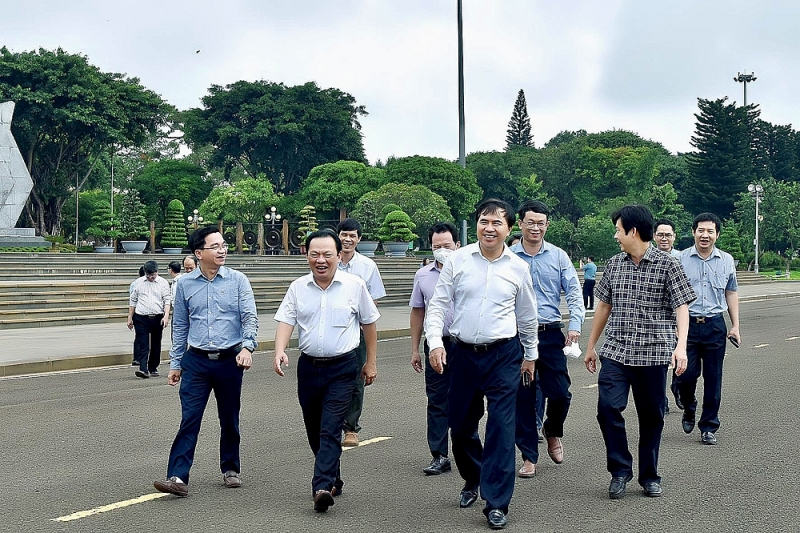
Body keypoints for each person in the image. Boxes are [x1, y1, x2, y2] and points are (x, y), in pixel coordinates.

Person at [426, 199, 538, 530]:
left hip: (504, 354)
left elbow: (527, 315)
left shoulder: (518, 267)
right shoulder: (458, 261)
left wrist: (530, 354)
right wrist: (434, 343)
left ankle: (496, 502)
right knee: (459, 426)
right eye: (483, 221)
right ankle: (473, 476)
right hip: (462, 354)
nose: (489, 228)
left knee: (502, 427)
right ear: (475, 224)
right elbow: (438, 305)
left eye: (496, 223)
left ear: (509, 228)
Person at [585, 205, 695, 500]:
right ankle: (620, 470)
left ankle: (649, 475)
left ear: (633, 231)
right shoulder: (614, 264)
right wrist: (591, 346)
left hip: (653, 354)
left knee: (652, 417)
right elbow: (604, 307)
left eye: (618, 230)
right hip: (616, 353)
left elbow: (681, 306)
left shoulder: (668, 265)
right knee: (607, 409)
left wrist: (681, 346)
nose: (615, 235)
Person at [273, 229, 379, 513]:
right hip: (309, 367)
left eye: (327, 254)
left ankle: (321, 486)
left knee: (331, 427)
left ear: (338, 255)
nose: (321, 260)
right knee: (314, 429)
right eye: (314, 254)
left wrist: (371, 362)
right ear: (306, 255)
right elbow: (286, 320)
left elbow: (369, 325)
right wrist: (280, 350)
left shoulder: (354, 285)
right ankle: (334, 476)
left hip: (343, 367)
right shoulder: (298, 287)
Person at [153, 226, 258, 498]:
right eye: (215, 246)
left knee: (229, 418)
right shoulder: (186, 284)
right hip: (196, 362)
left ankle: (230, 468)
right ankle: (177, 476)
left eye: (223, 245)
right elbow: (181, 327)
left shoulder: (238, 281)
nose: (222, 250)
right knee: (190, 418)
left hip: (229, 361)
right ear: (199, 253)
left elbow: (249, 317)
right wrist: (175, 364)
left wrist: (247, 347)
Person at [510, 200, 585, 478]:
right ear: (520, 224)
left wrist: (575, 326)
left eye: (541, 223)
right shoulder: (508, 256)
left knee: (560, 392)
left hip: (550, 334)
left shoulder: (558, 256)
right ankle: (529, 455)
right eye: (530, 222)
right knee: (524, 398)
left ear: (547, 226)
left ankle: (553, 430)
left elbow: (575, 294)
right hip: (516, 337)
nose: (536, 227)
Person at [677, 213, 740, 445]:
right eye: (701, 230)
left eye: (710, 231)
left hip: (715, 324)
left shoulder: (726, 260)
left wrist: (735, 325)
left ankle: (709, 426)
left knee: (713, 378)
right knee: (685, 375)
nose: (705, 235)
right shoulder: (681, 259)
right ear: (693, 232)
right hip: (687, 326)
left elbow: (731, 292)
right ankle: (689, 406)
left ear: (717, 235)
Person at [409, 222, 461, 476]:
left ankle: (466, 449)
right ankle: (439, 454)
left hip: (465, 345)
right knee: (437, 399)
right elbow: (418, 312)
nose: (441, 250)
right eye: (436, 246)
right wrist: (415, 349)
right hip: (436, 344)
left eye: (446, 246)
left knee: (466, 399)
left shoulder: (468, 270)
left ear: (457, 245)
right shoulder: (423, 275)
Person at [337, 218, 386, 448]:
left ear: (359, 239)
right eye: (344, 235)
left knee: (356, 379)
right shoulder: (328, 261)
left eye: (352, 236)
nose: (347, 239)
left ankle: (351, 428)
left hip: (357, 331)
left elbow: (373, 303)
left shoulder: (368, 266)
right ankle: (330, 424)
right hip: (332, 330)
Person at [653, 218, 682, 413]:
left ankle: (677, 386)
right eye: (661, 235)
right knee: (659, 363)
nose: (664, 238)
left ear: (674, 237)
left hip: (678, 318)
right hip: (657, 321)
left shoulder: (682, 258)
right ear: (654, 236)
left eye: (668, 235)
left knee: (681, 359)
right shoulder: (648, 256)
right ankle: (661, 398)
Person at [128, 260, 171, 379]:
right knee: (143, 343)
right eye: (148, 275)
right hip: (141, 317)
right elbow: (133, 301)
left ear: (157, 272)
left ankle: (153, 367)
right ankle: (143, 368)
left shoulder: (163, 283)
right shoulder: (138, 283)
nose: (151, 277)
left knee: (156, 343)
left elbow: (167, 300)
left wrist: (166, 315)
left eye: (153, 275)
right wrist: (130, 318)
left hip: (157, 317)